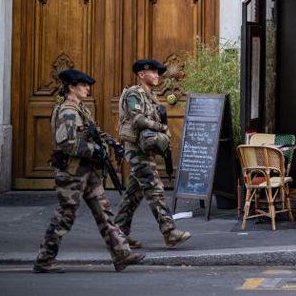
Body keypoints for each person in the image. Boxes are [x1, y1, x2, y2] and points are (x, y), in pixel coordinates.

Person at [33, 69, 144, 273]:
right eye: (83, 85)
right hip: (71, 173)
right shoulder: (67, 111)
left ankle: (121, 254)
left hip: (87, 170)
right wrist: (96, 151)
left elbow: (91, 131)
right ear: (71, 87)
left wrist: (110, 142)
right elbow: (67, 144)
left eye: (87, 85)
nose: (87, 88)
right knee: (65, 217)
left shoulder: (80, 109)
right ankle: (44, 260)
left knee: (104, 212)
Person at [114, 59, 192, 250]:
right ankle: (169, 232)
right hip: (136, 151)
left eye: (158, 73)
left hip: (146, 150)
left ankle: (117, 234)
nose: (158, 76)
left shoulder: (151, 96)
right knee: (155, 189)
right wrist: (161, 127)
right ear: (142, 75)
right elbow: (138, 120)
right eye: (154, 73)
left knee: (133, 194)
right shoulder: (133, 94)